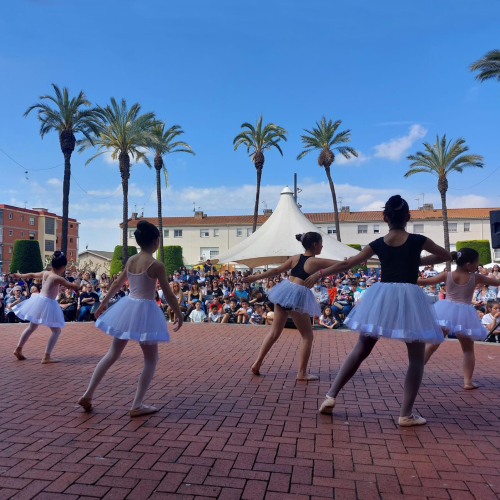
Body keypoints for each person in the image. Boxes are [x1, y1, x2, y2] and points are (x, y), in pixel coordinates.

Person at [305, 195, 451, 426]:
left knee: (361, 348)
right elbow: (446, 256)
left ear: (385, 218)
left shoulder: (378, 243)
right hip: (410, 297)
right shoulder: (418, 240)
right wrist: (415, 261)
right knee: (416, 358)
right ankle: (406, 414)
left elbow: (347, 264)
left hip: (382, 296)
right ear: (408, 217)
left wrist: (319, 273)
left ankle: (330, 396)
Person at [78, 220, 183, 417]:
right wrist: (178, 314)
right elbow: (168, 294)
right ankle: (137, 404)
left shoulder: (131, 260)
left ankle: (88, 393)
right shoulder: (157, 264)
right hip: (145, 311)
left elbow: (118, 283)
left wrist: (104, 302)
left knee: (112, 354)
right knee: (151, 359)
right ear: (156, 242)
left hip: (127, 308)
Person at [243, 231, 340, 381]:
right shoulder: (315, 261)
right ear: (315, 245)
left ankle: (257, 363)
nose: (322, 246)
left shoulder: (295, 258)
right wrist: (353, 260)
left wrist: (256, 277)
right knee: (307, 336)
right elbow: (340, 264)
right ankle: (301, 373)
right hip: (298, 296)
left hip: (284, 292)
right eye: (321, 244)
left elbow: (276, 270)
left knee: (274, 332)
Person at [420, 248, 500, 390]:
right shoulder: (475, 277)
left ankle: (416, 374)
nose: (477, 266)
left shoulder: (447, 275)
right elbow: (496, 283)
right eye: (476, 263)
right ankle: (467, 382)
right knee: (468, 349)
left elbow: (425, 281)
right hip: (465, 313)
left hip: (445, 311)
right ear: (469, 264)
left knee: (433, 345)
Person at [10, 252, 82, 363]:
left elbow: (32, 275)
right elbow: (76, 286)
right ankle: (46, 356)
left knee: (31, 327)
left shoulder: (45, 273)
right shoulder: (57, 278)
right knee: (56, 331)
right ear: (63, 267)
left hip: (39, 301)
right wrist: (79, 278)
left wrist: (20, 276)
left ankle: (18, 349)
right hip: (48, 304)